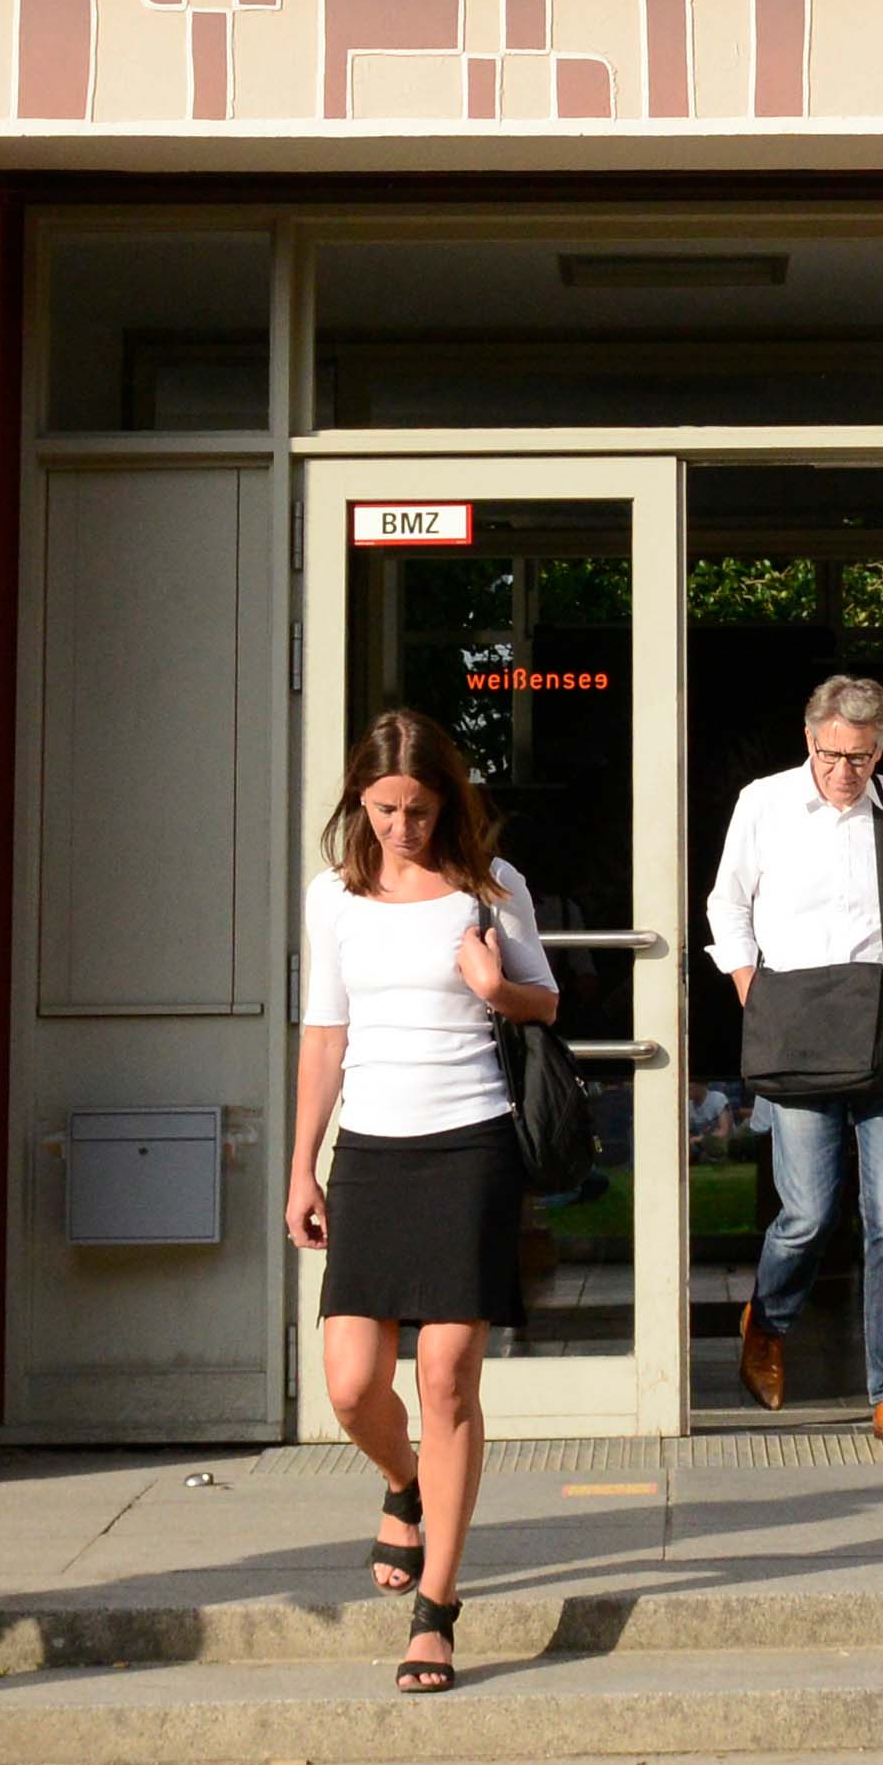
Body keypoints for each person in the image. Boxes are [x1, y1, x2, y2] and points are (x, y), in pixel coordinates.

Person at [287, 708, 559, 1700]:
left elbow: (549, 1000)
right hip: (370, 1149)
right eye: (383, 807)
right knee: (354, 1384)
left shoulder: (489, 889)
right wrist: (300, 1166)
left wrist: (495, 984)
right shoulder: (335, 898)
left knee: (446, 1375)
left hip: (470, 1144)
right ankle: (402, 1481)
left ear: (445, 803)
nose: (400, 826)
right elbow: (324, 1035)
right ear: (359, 802)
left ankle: (436, 1607)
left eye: (417, 809)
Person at [703, 671, 883, 1453]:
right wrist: (754, 989)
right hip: (796, 1019)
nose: (845, 771)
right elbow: (726, 903)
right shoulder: (765, 803)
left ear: (882, 749)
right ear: (810, 738)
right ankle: (767, 1318)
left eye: (862, 756)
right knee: (808, 1210)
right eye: (832, 754)